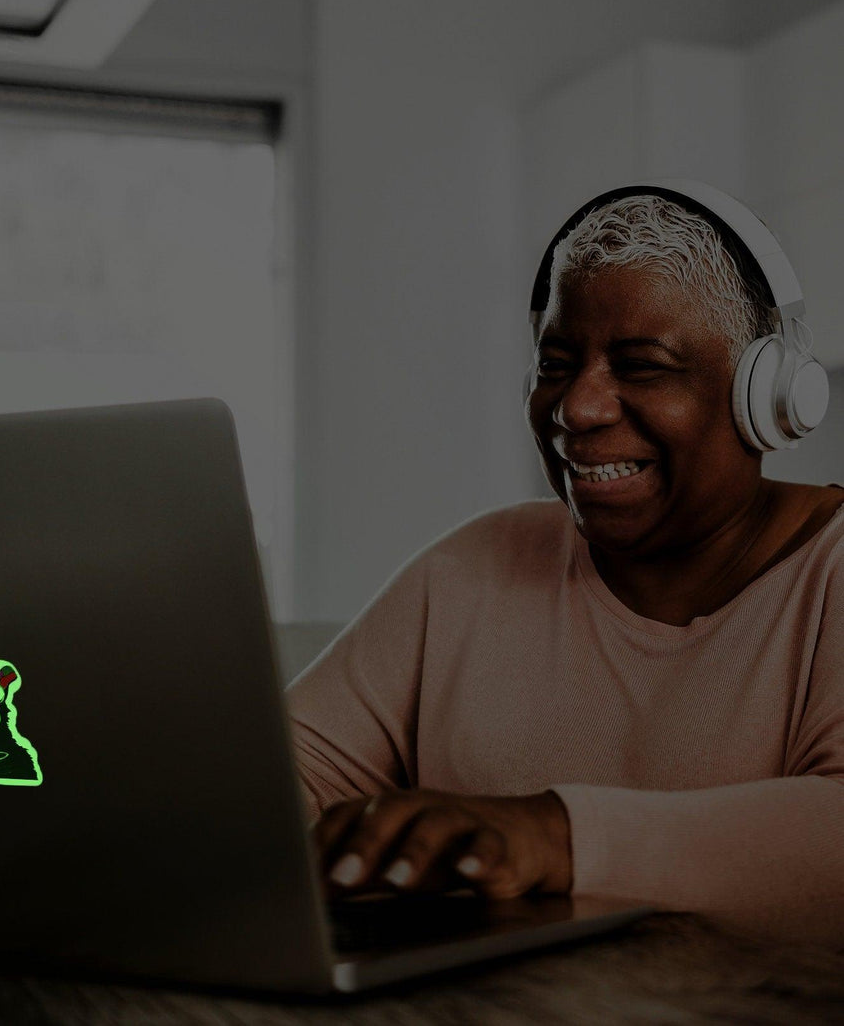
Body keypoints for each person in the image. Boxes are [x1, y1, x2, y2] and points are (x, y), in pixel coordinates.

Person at [290, 185, 844, 947]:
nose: (576, 408)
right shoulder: (471, 567)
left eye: (641, 366)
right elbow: (285, 771)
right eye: (556, 362)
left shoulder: (833, 574)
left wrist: (552, 836)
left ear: (769, 398)